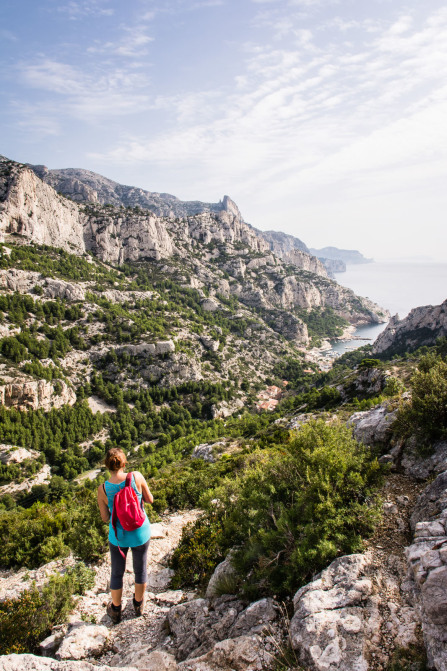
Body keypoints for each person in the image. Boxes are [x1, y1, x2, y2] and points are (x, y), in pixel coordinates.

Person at [97, 448, 154, 624]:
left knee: (116, 572)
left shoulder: (103, 489)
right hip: (140, 532)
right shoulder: (136, 476)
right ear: (124, 463)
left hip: (118, 536)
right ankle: (138, 604)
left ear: (107, 466)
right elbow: (150, 499)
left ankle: (115, 609)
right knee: (140, 569)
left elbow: (105, 517)